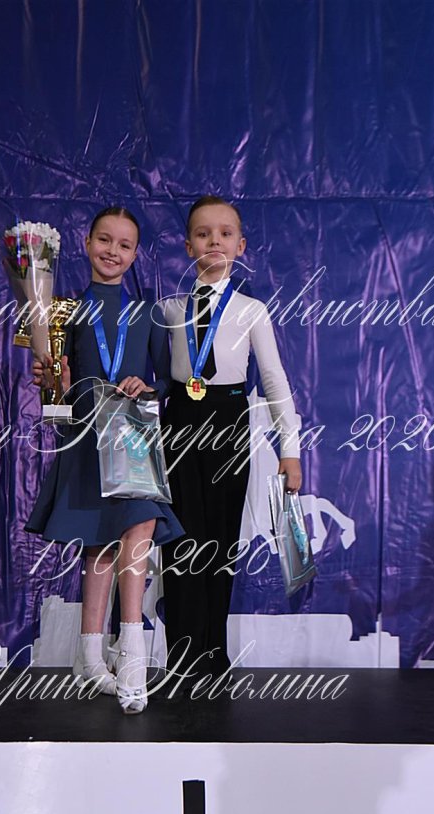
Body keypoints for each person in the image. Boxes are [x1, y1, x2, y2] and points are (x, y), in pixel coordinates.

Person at [25, 206, 183, 714]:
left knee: (140, 526)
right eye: (104, 240)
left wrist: (147, 385)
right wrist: (56, 381)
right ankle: (90, 658)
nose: (113, 251)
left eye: (124, 245)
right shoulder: (62, 310)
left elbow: (167, 382)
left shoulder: (148, 313)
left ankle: (133, 652)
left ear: (135, 255)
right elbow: (56, 400)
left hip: (132, 434)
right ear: (87, 243)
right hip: (86, 435)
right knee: (99, 545)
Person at [160, 195, 302, 691]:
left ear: (241, 246)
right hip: (179, 422)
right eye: (203, 234)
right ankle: (180, 656)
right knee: (180, 539)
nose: (214, 242)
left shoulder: (251, 310)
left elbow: (275, 380)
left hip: (228, 421)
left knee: (219, 539)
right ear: (188, 246)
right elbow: (151, 376)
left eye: (225, 234)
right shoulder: (169, 310)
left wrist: (290, 449)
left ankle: (213, 654)